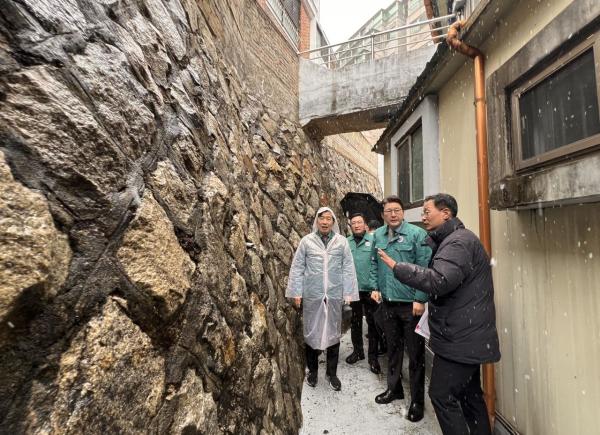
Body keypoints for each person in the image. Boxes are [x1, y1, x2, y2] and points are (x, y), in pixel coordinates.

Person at [377, 193, 501, 435]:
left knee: (441, 395)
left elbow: (439, 280)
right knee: (469, 394)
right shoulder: (453, 240)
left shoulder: (458, 243)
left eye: (427, 211)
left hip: (460, 337)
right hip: (465, 334)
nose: (422, 216)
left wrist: (397, 267)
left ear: (446, 213)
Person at [369, 195, 431, 422]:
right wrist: (375, 287)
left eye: (396, 210)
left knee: (415, 355)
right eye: (388, 211)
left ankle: (417, 401)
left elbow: (425, 270)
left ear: (403, 212)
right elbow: (374, 264)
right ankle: (394, 389)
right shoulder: (377, 236)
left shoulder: (417, 235)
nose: (392, 215)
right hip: (387, 303)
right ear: (383, 215)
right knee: (393, 350)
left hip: (410, 305)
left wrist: (420, 298)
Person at [286, 206, 359, 391]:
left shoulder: (341, 242)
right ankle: (313, 371)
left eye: (329, 219)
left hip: (334, 295)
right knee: (311, 332)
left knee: (334, 333)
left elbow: (348, 268)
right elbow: (297, 268)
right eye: (322, 218)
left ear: (333, 222)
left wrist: (349, 294)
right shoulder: (306, 242)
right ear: (317, 221)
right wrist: (296, 292)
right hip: (313, 295)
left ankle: (332, 373)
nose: (325, 222)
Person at [345, 213, 381, 374]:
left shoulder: (374, 241)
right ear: (350, 226)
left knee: (373, 324)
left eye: (360, 222)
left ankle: (373, 358)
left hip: (371, 290)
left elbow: (379, 265)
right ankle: (358, 351)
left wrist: (377, 288)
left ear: (365, 225)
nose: (357, 225)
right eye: (354, 223)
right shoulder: (346, 242)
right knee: (355, 322)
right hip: (353, 290)